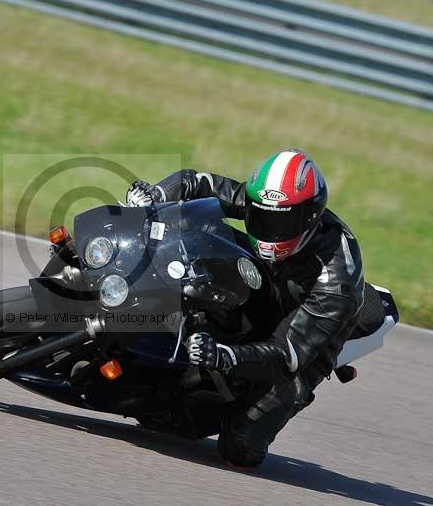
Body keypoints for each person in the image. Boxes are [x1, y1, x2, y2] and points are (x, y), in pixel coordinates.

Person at [125, 149, 365, 467]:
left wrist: (225, 356)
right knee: (195, 232)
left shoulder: (337, 282)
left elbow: (285, 356)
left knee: (241, 447)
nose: (269, 230)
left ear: (309, 217)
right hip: (267, 280)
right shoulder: (268, 204)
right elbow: (201, 185)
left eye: (282, 222)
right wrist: (157, 194)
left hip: (301, 334)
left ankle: (221, 404)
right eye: (262, 217)